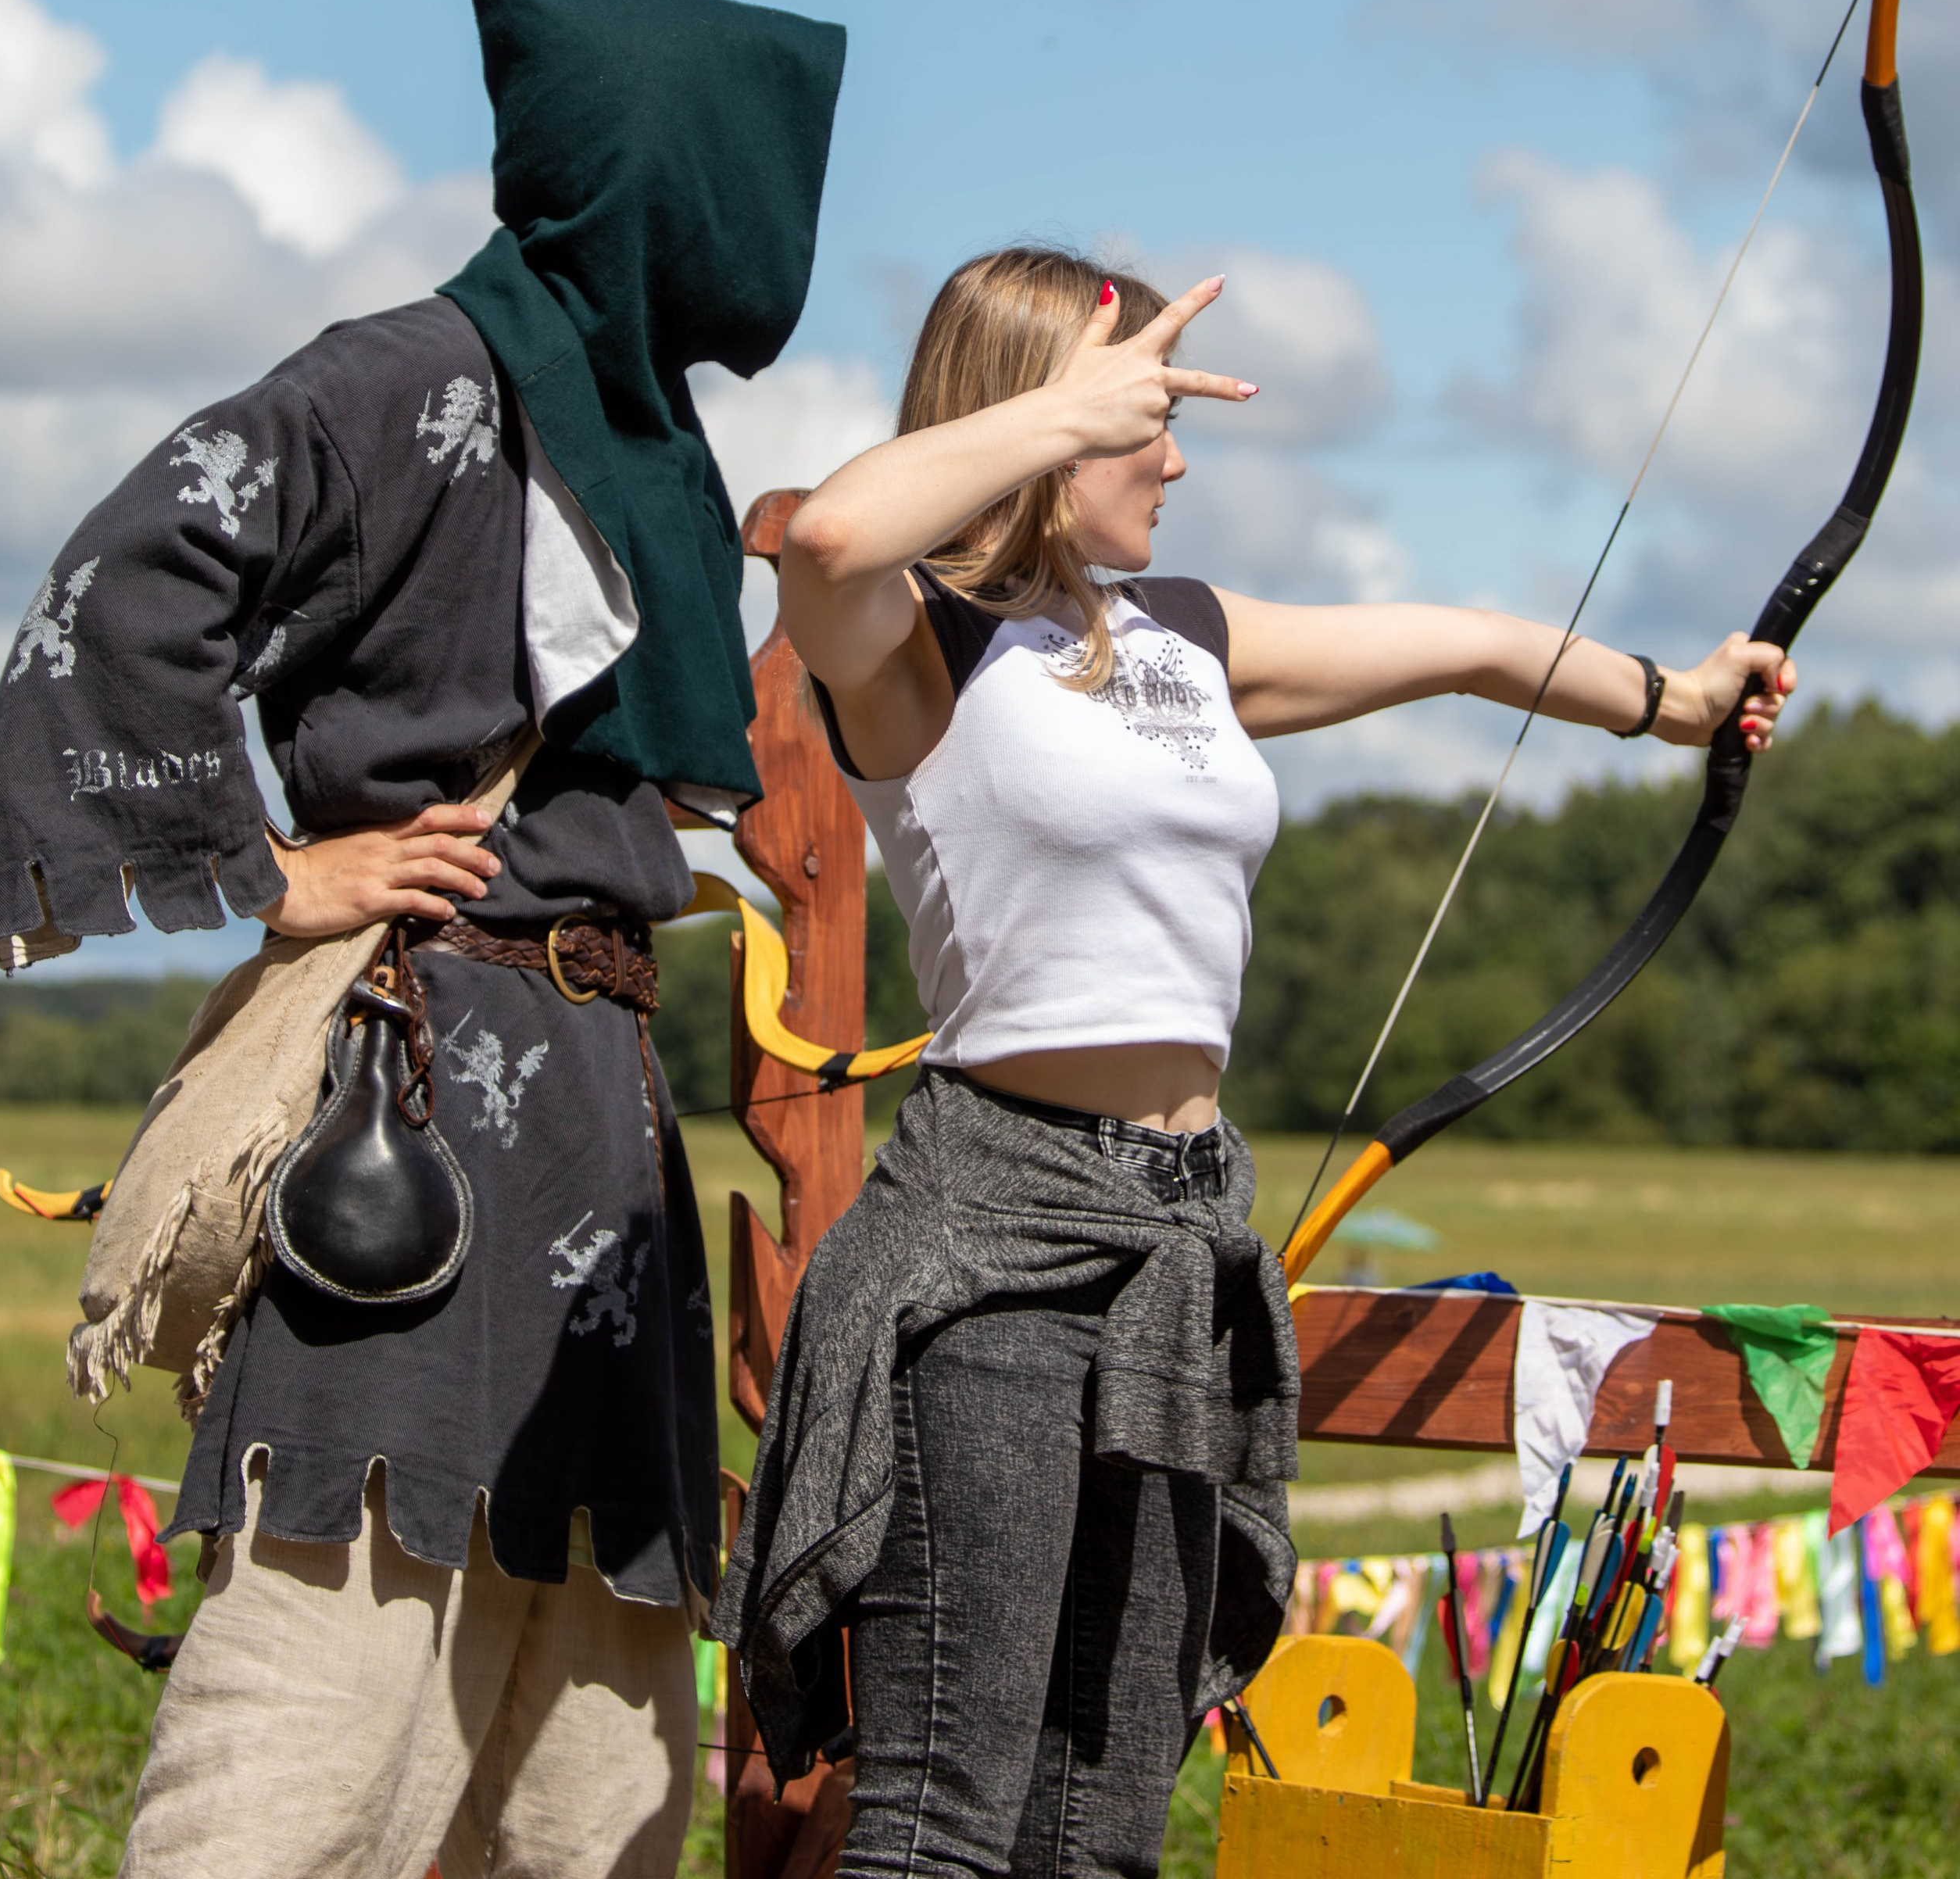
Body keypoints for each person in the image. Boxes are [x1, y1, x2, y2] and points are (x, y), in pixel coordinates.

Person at [713, 246, 1792, 1879]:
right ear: (1050, 418)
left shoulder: (1188, 633)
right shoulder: (909, 639)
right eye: (1144, 421)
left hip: (1179, 1243)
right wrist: (1070, 408)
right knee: (948, 1806)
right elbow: (827, 532)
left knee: (1106, 1815)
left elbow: (1469, 647)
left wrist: (1671, 703)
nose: (1177, 454)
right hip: (992, 1242)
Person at [0, 0, 846, 1879]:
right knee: (319, 1707)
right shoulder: (419, 377)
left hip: (597, 1132)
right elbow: (135, 567)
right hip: (421, 1096)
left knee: (589, 1764)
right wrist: (280, 871)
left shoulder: (645, 440)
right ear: (661, 174)